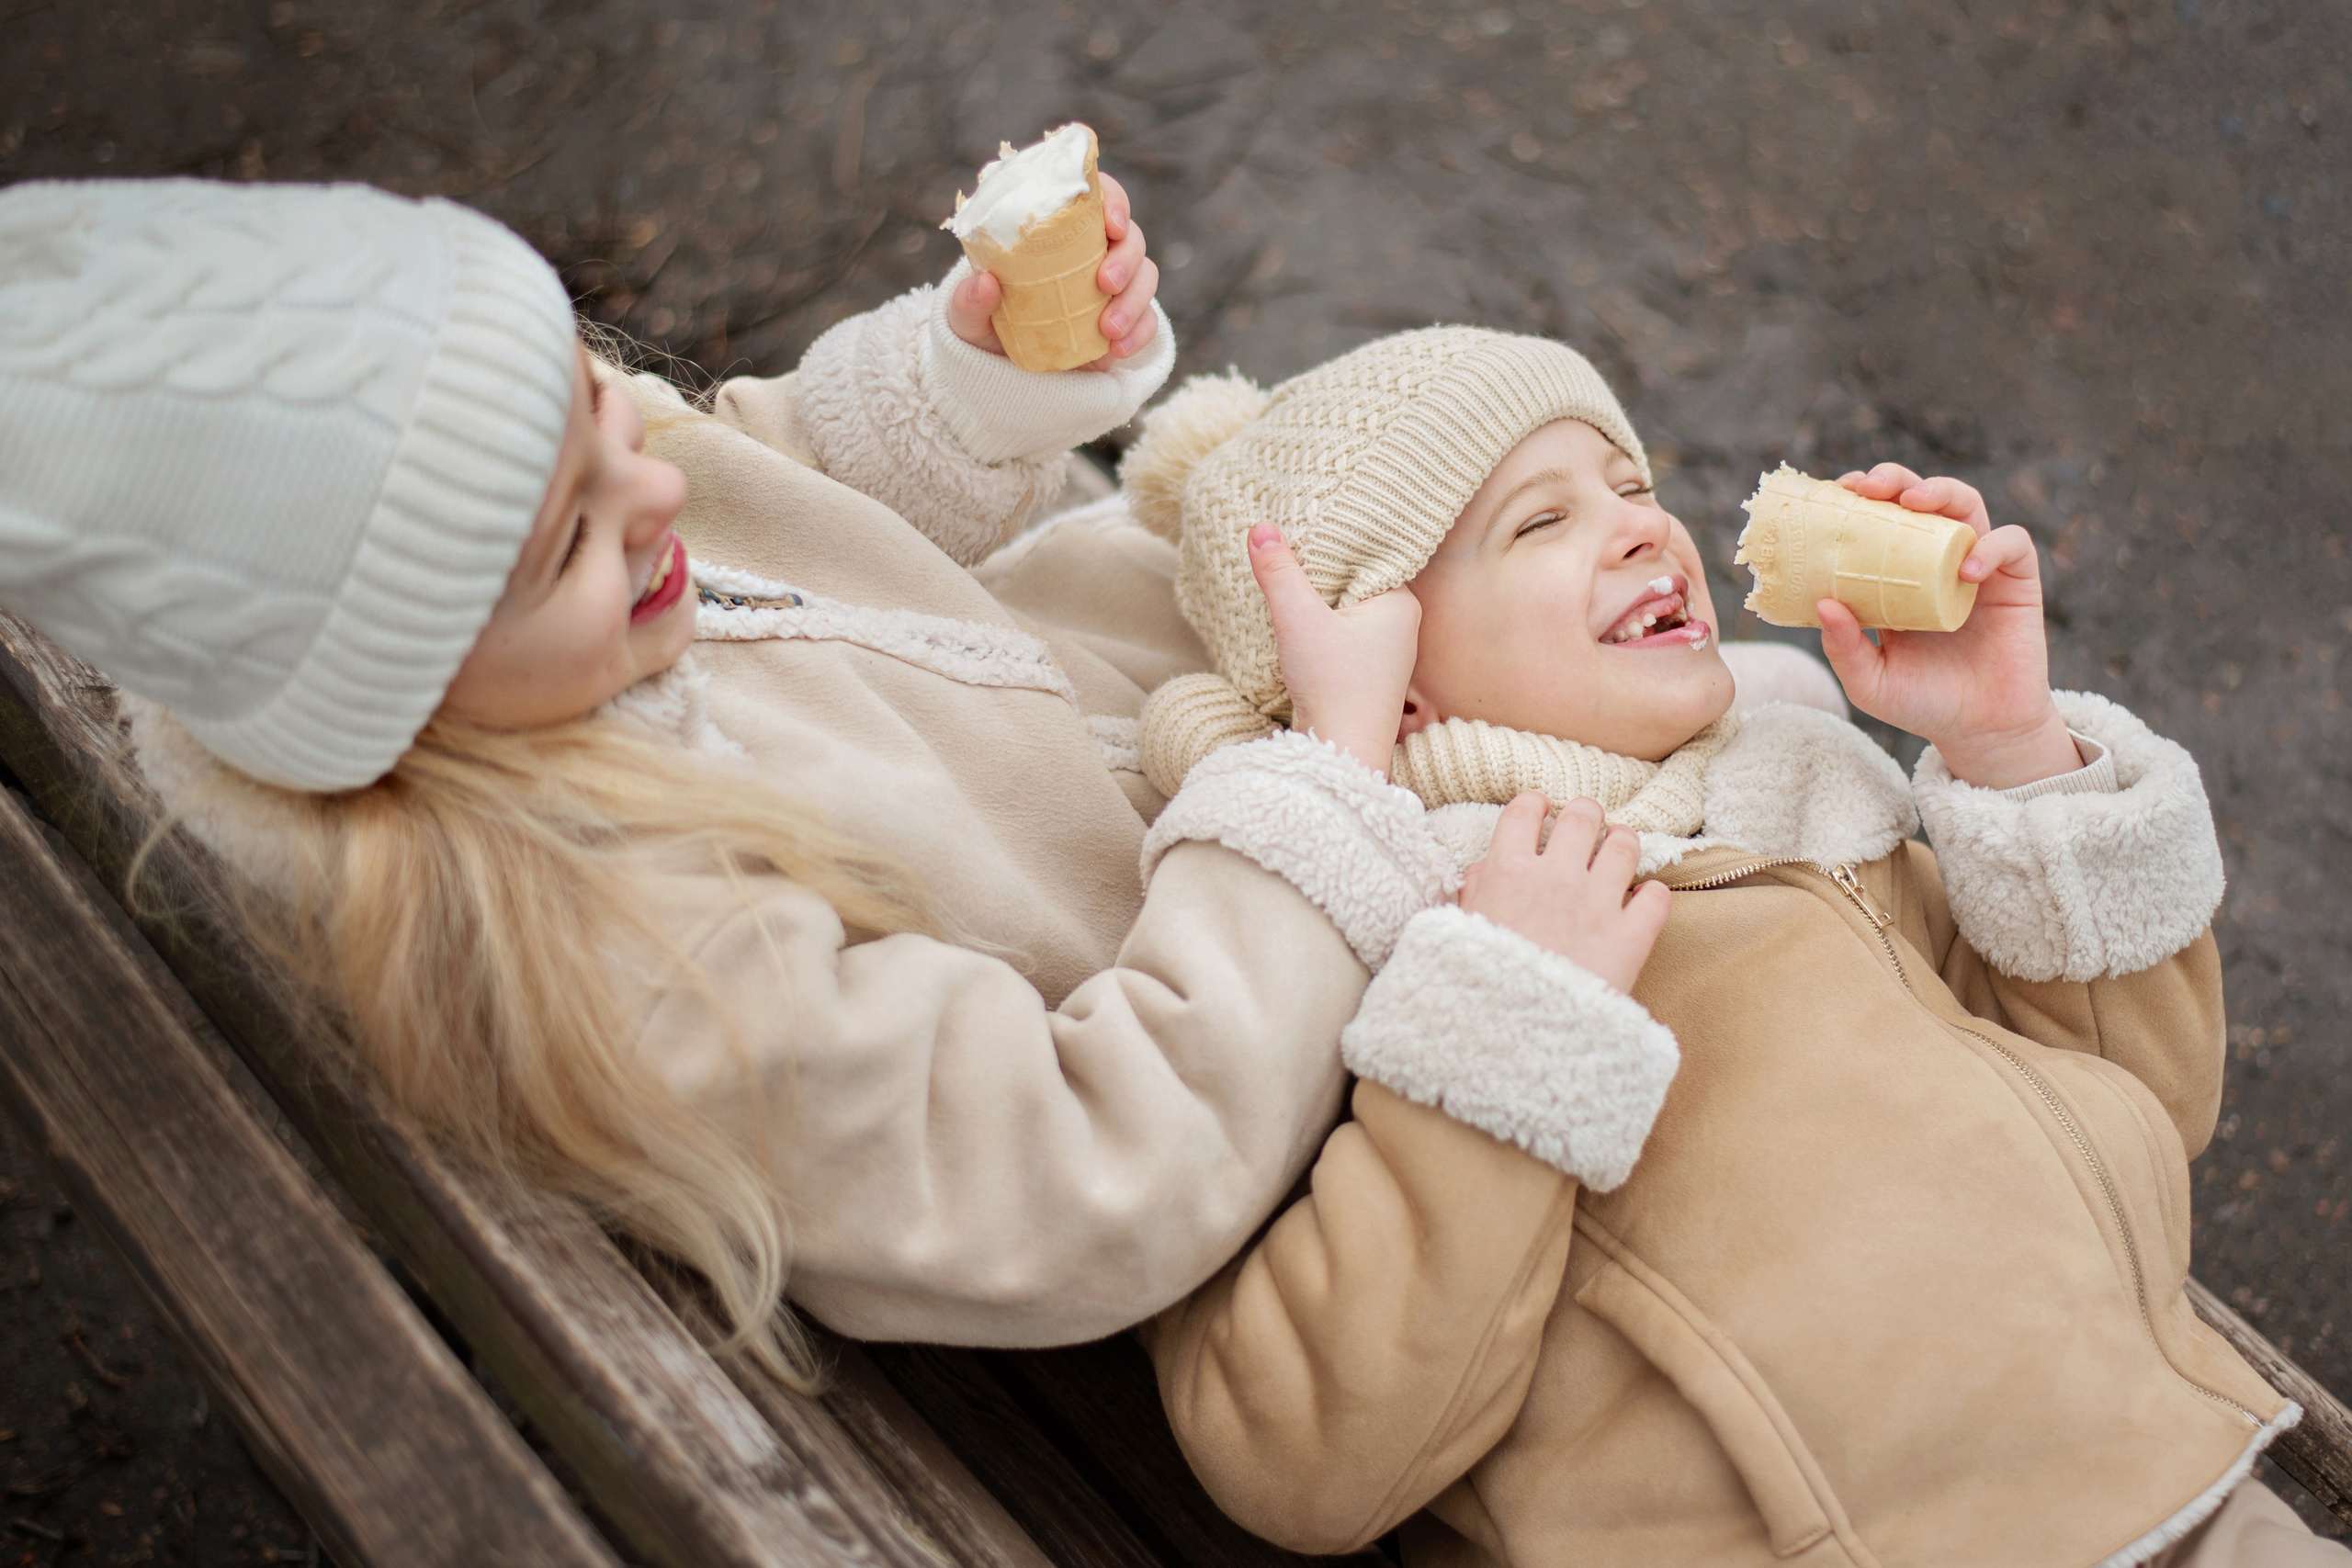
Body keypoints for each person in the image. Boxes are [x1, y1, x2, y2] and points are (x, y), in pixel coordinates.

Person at [0, 174, 1498, 1384]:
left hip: (1171, 713)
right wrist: (1323, 781)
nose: (652, 492)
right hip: (1293, 1012)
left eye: (598, 411)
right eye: (570, 541)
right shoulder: (639, 961)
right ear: (399, 707)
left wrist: (966, 380)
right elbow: (1077, 1174)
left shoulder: (515, 625)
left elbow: (744, 481)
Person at [1118, 329, 2344, 1566]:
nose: (1648, 526)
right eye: (1540, 524)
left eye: (1633, 486)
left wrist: (2010, 749)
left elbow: (2144, 1109)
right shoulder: (1384, 937)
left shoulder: (1804, 805)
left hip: (2179, 1492)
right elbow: (1300, 1462)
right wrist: (1507, 1019)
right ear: (1397, 682)